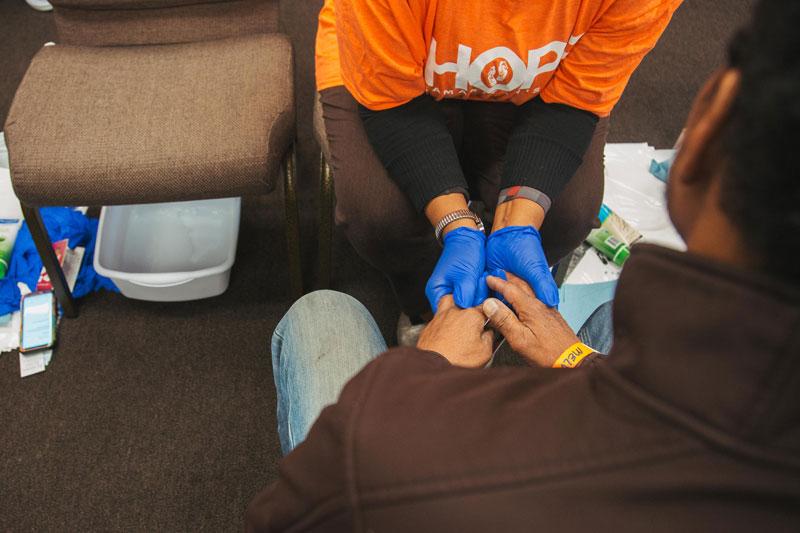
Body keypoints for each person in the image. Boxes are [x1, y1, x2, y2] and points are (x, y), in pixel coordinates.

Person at [246, 0, 800, 529]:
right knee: (592, 304)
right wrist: (578, 360)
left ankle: (433, 325)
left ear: (708, 123)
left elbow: (300, 507)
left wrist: (422, 371)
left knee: (322, 315)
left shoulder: (364, 472)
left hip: (389, 453)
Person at [315, 0, 682, 342]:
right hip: (387, 61)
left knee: (568, 214)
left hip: (547, 79)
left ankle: (499, 299)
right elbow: (394, 104)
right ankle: (427, 310)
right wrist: (456, 225)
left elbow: (574, 100)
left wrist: (516, 224)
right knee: (379, 215)